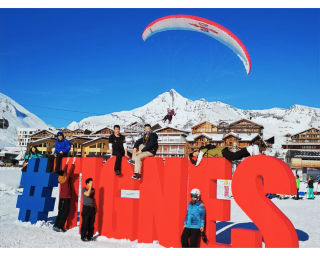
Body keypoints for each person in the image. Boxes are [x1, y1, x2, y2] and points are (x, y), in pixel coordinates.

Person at [53, 157, 76, 232]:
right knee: (65, 212)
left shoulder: (60, 178)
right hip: (66, 197)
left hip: (61, 198)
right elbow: (70, 171)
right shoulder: (66, 179)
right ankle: (60, 226)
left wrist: (66, 162)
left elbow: (64, 171)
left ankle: (56, 225)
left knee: (60, 211)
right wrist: (73, 162)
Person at [189, 144, 260, 166]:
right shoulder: (203, 150)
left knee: (234, 156)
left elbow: (196, 164)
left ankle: (250, 148)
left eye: (195, 153)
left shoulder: (201, 152)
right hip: (222, 151)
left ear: (197, 150)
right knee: (236, 157)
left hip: (222, 152)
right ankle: (250, 151)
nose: (196, 155)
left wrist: (191, 159)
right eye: (194, 155)